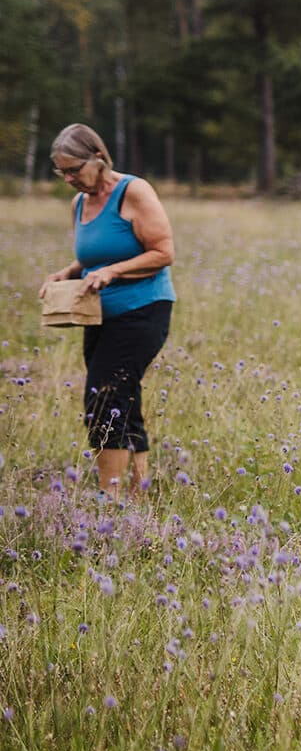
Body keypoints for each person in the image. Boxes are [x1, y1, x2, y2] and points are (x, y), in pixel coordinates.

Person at [38, 123, 175, 498]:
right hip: (99, 315)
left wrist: (112, 272)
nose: (68, 179)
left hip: (144, 309)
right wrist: (67, 272)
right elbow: (92, 257)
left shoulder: (134, 191)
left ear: (98, 158)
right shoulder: (79, 203)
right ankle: (138, 492)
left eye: (73, 170)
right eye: (61, 172)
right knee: (123, 399)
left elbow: (164, 253)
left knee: (103, 399)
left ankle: (108, 498)